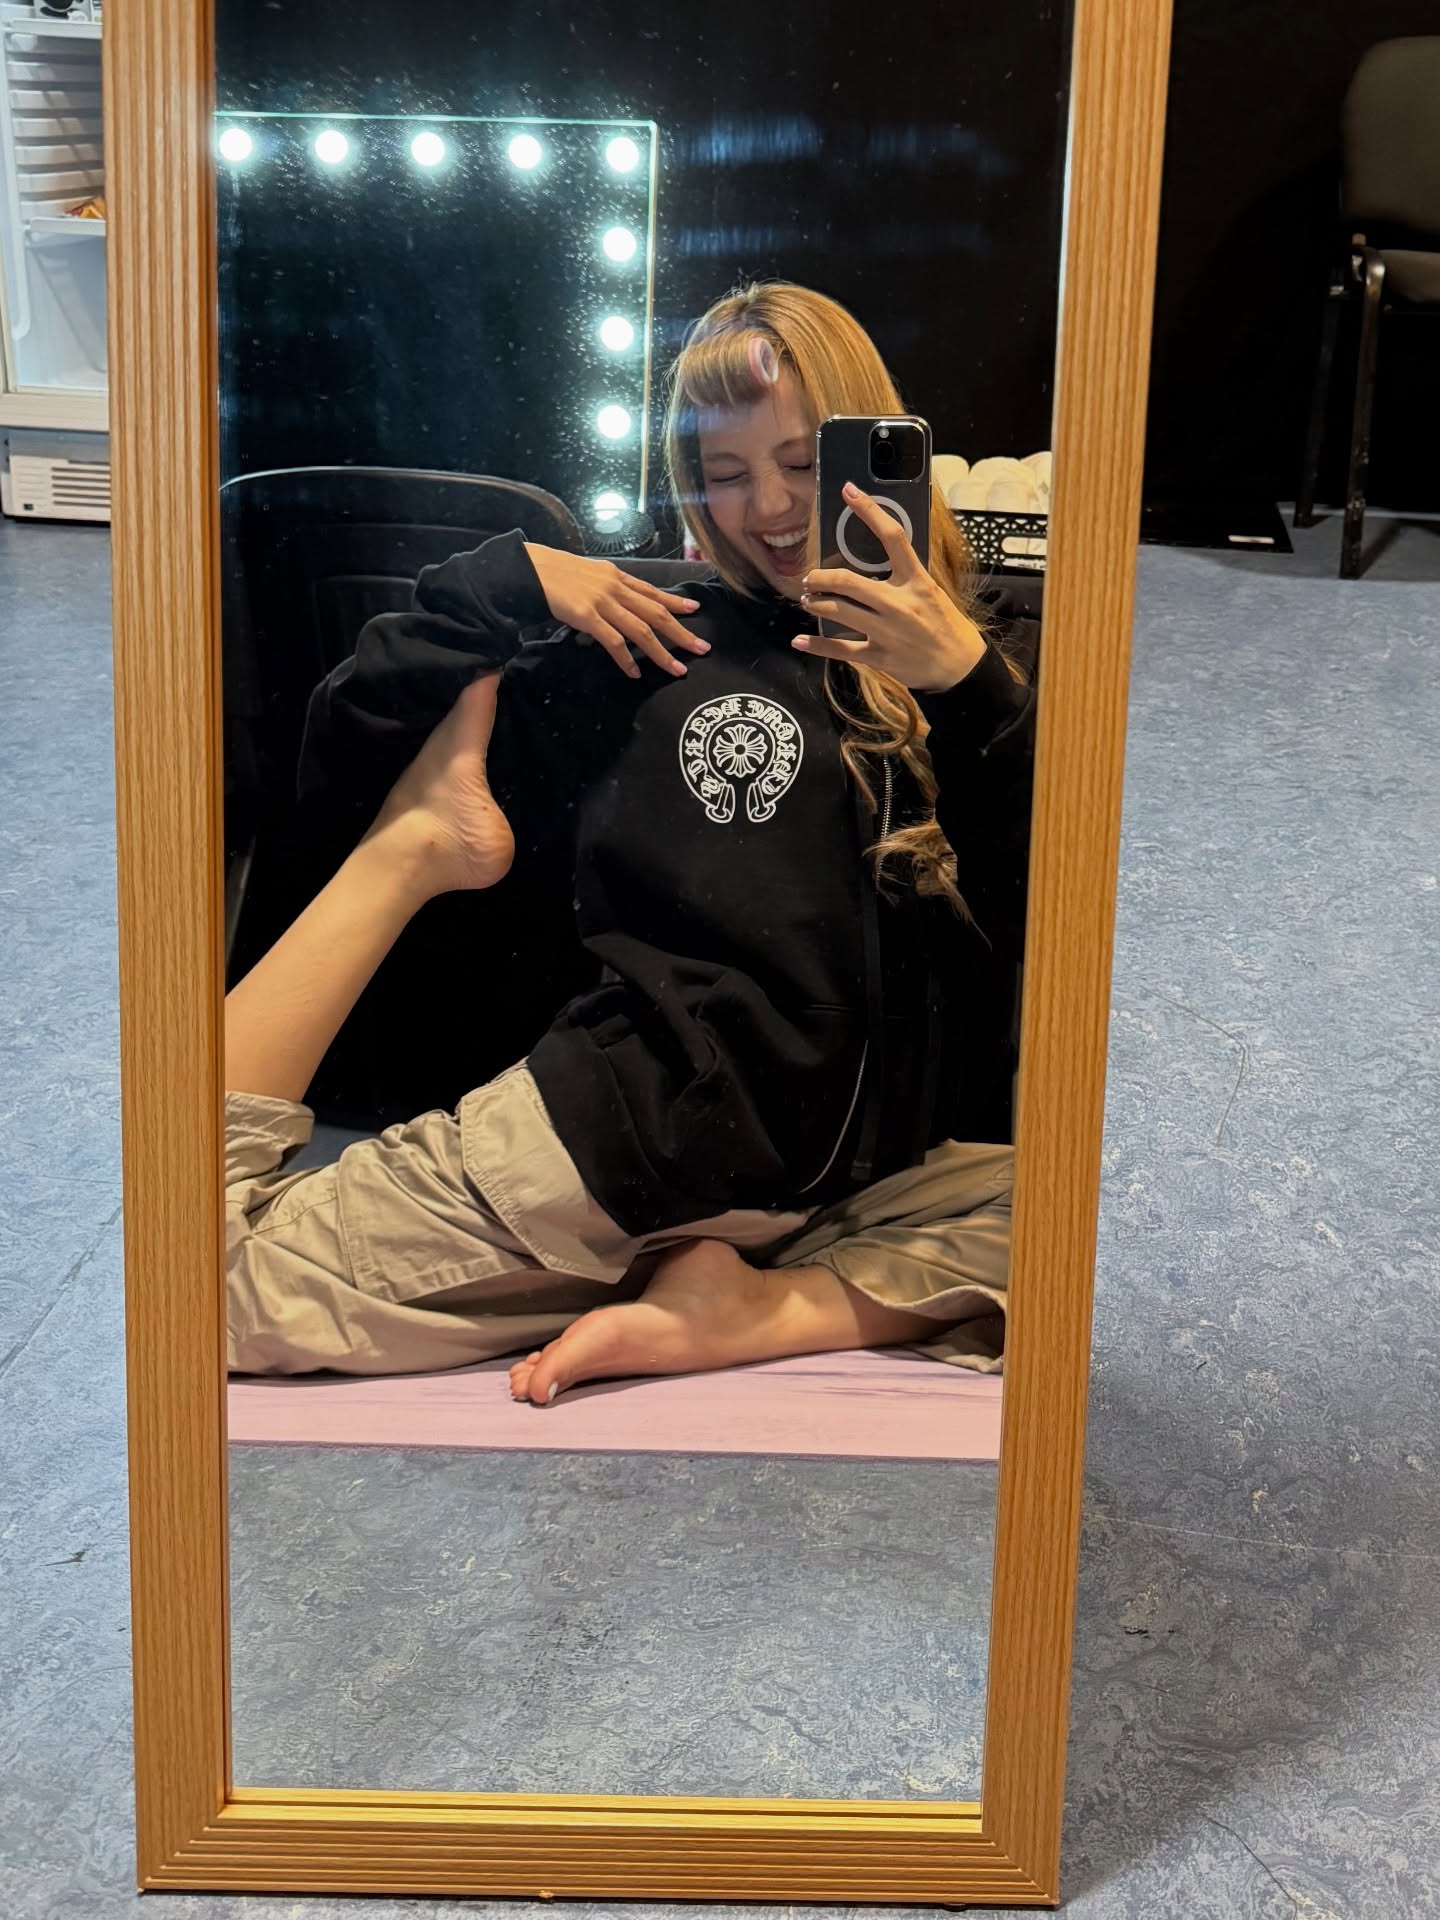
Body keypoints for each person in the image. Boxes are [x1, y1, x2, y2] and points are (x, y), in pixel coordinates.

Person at [223, 281, 1037, 1403]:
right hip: (614, 1161)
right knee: (193, 1280)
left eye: (805, 462)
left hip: (833, 1196)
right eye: (725, 472)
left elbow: (1057, 920)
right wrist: (503, 585)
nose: (769, 509)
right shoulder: (660, 648)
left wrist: (970, 688)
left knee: (1098, 1222)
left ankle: (748, 1308)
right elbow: (342, 740)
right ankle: (728, 1291)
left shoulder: (985, 677)